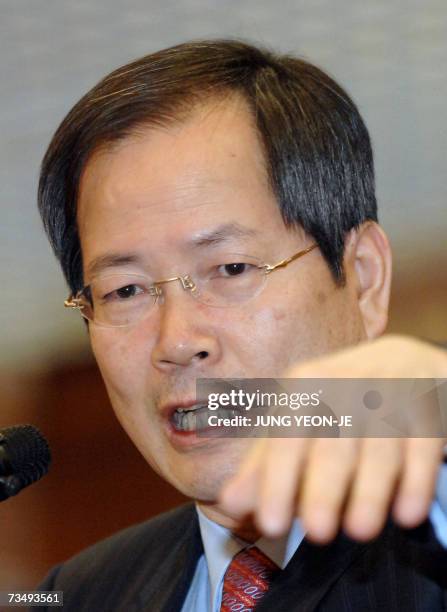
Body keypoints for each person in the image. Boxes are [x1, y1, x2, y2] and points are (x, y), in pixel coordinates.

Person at [34, 40, 447, 611]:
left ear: (363, 277)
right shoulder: (76, 596)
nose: (177, 340)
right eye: (125, 291)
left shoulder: (435, 534)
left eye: (231, 268)